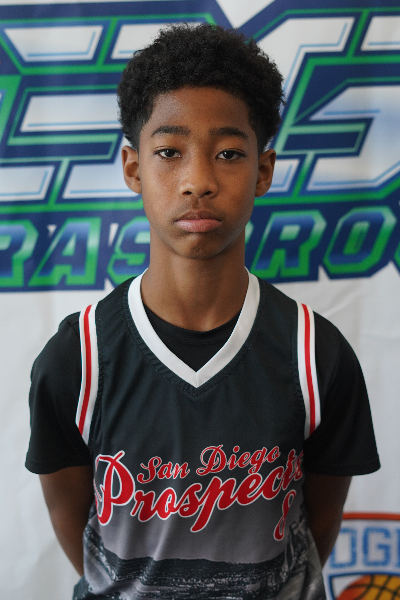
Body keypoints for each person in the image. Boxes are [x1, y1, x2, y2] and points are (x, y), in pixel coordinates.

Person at [26, 23, 380, 600]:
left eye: (228, 153)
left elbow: (319, 524)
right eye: (169, 152)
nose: (198, 181)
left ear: (263, 171)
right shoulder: (78, 358)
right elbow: (77, 529)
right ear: (134, 168)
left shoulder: (316, 355)